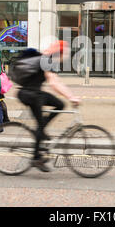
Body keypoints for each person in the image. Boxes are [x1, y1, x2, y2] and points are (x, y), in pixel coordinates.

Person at [16, 41, 81, 172]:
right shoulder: (46, 59)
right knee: (41, 125)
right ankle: (36, 158)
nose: (66, 56)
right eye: (65, 53)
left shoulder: (48, 59)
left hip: (34, 93)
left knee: (59, 104)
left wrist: (70, 95)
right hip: (29, 94)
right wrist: (71, 97)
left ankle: (40, 132)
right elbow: (53, 83)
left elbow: (57, 81)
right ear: (60, 52)